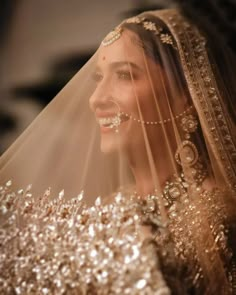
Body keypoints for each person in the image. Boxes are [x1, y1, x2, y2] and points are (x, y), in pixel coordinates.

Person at [0, 8, 235, 294]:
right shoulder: (116, 204)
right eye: (98, 78)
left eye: (124, 75)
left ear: (186, 95)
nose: (96, 99)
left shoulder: (215, 222)